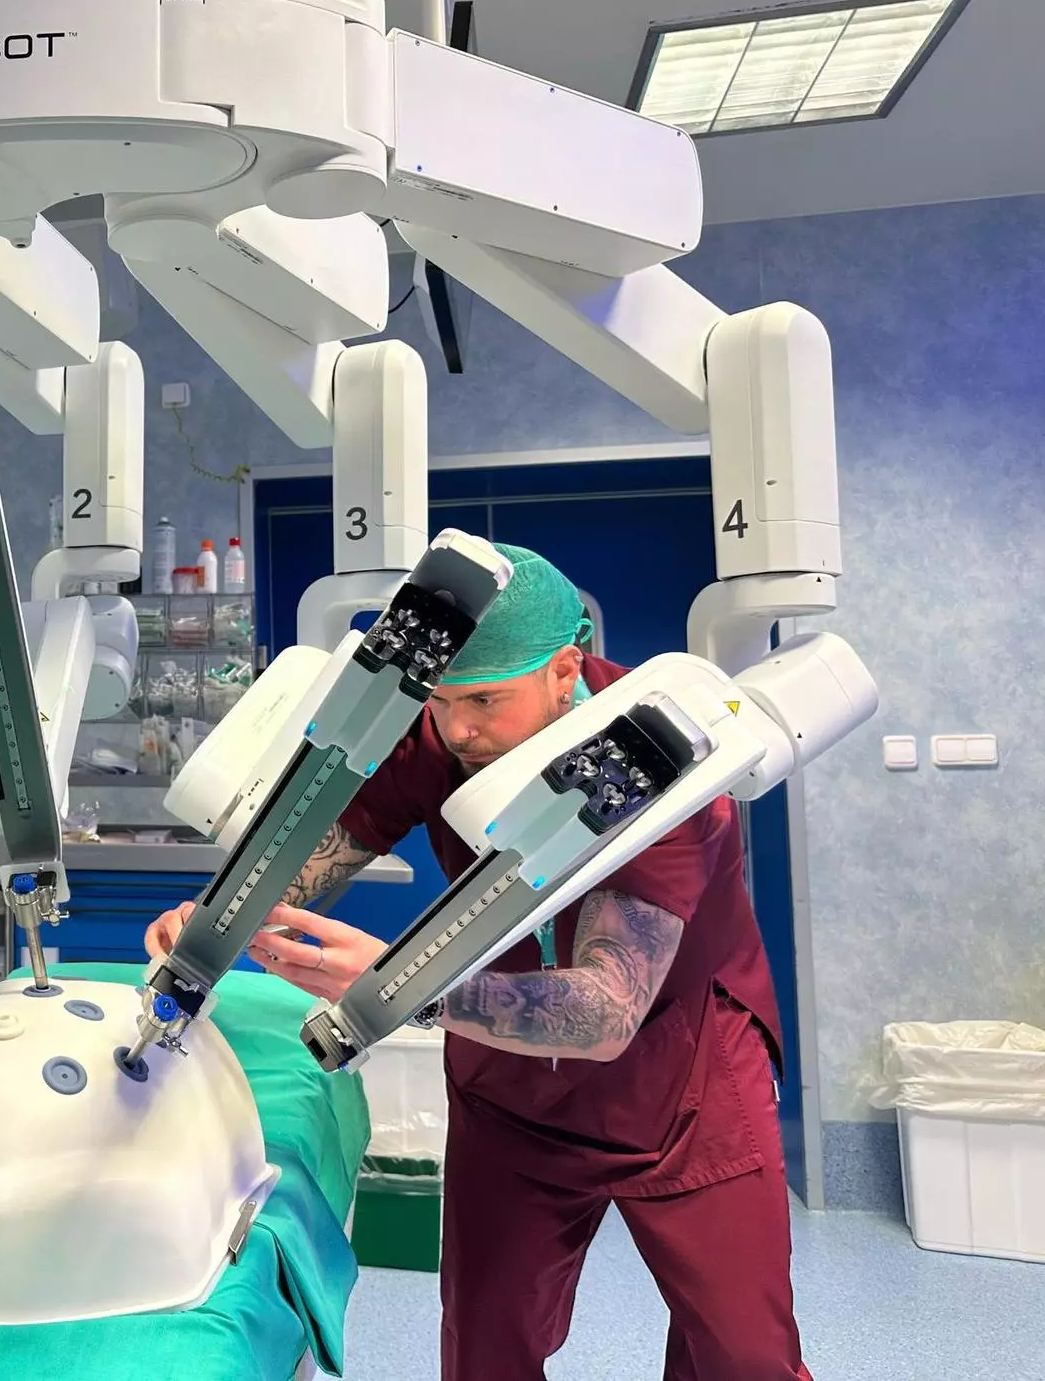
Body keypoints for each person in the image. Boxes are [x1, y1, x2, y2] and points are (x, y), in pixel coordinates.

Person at [145, 545, 809, 1381]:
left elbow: (607, 1012)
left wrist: (401, 987)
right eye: (443, 701)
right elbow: (321, 851)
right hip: (513, 1090)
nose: (458, 729)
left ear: (564, 670)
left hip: (682, 1083)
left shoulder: (663, 761)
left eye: (486, 701)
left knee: (743, 1358)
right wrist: (224, 913)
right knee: (486, 1350)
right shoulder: (443, 734)